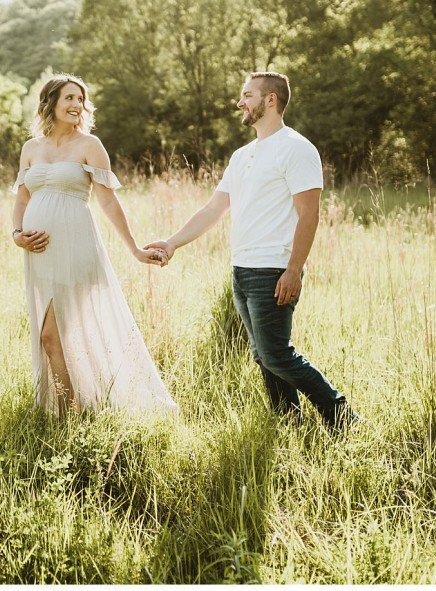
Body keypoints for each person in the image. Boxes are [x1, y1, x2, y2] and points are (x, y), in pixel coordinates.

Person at [145, 71, 359, 429]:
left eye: (247, 95)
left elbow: (310, 214)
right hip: (241, 270)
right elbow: (214, 209)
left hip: (273, 269)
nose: (240, 102)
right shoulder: (242, 155)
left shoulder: (297, 148)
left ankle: (342, 416)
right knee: (264, 356)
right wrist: (172, 242)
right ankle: (288, 422)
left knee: (277, 354)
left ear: (270, 100)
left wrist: (294, 269)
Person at [11, 74, 178, 418]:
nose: (77, 105)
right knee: (53, 337)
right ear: (50, 103)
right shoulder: (31, 148)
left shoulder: (90, 145)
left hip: (76, 246)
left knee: (50, 336)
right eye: (69, 98)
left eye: (81, 99)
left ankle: (68, 419)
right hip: (39, 255)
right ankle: (67, 413)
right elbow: (22, 198)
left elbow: (108, 203)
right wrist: (16, 234)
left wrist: (133, 249)